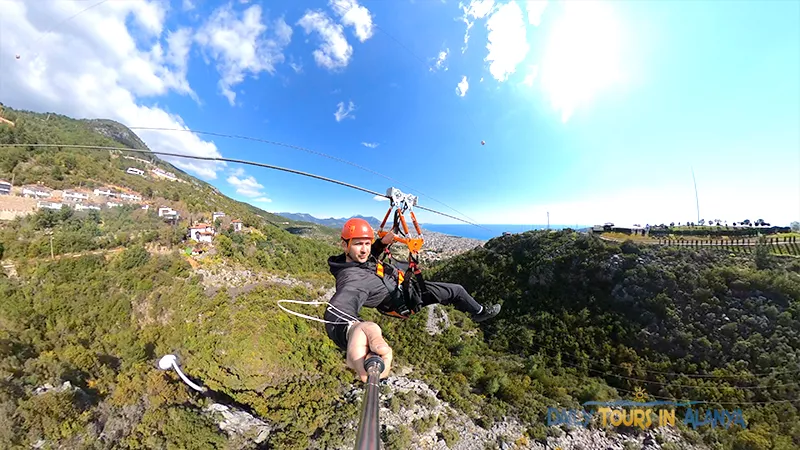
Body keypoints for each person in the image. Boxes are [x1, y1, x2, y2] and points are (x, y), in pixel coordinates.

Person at [323, 218, 501, 382]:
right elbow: (339, 309)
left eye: (367, 243)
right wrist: (352, 330)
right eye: (357, 244)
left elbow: (368, 257)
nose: (364, 249)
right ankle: (479, 313)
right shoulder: (352, 279)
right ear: (345, 245)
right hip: (407, 298)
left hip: (403, 285)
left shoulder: (352, 260)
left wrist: (380, 244)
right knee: (457, 291)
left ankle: (471, 310)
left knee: (453, 291)